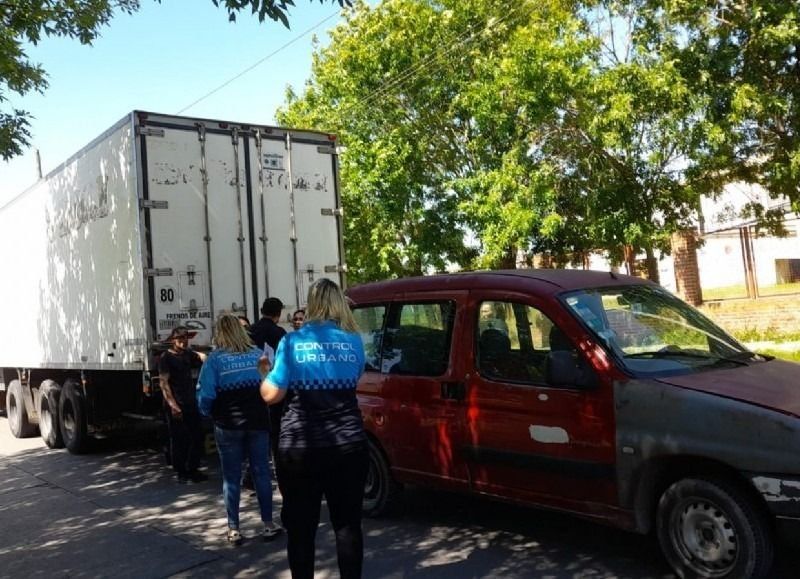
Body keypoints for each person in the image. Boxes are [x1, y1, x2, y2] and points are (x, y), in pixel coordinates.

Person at [261, 278, 368, 579]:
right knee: (348, 526)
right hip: (348, 445)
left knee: (301, 529)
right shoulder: (354, 340)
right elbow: (355, 377)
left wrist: (265, 374)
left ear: (312, 303)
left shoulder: (292, 342)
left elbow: (271, 396)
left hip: (300, 448)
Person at [197, 314, 282, 545]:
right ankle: (268, 524)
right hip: (257, 421)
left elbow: (206, 394)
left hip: (228, 424)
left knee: (231, 477)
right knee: (261, 473)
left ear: (220, 333)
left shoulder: (215, 360)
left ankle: (234, 529)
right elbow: (270, 383)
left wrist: (207, 413)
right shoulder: (258, 355)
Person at [159, 326, 207, 484]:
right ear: (173, 340)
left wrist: (203, 356)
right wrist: (173, 405)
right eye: (180, 338)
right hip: (176, 404)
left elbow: (202, 358)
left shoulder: (187, 354)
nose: (183, 341)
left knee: (197, 435)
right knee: (179, 439)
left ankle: (193, 469)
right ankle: (181, 472)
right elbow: (164, 383)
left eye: (185, 338)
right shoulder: (166, 358)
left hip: (190, 402)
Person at [250, 297, 287, 459]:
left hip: (251, 384)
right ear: (279, 314)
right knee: (275, 429)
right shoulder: (280, 333)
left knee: (255, 430)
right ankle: (275, 462)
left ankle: (255, 465)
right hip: (273, 385)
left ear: (261, 311)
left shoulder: (249, 331)